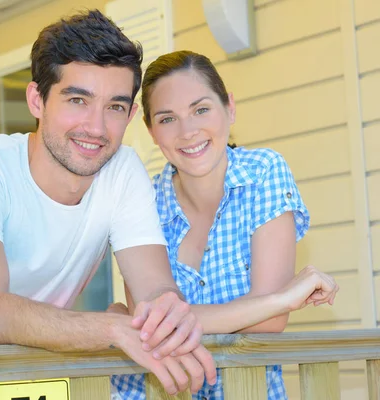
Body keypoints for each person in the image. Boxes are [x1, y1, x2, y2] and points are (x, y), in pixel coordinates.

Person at [0, 13, 218, 400]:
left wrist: (167, 312)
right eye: (77, 100)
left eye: (114, 107)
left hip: (10, 380)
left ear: (131, 115)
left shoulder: (122, 170)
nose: (96, 127)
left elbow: (154, 289)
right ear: (37, 99)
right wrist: (110, 328)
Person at [110, 50, 339, 399]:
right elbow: (151, 326)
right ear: (151, 131)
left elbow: (269, 323)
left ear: (229, 108)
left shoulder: (263, 173)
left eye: (201, 109)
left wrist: (176, 322)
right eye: (167, 118)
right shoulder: (143, 200)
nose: (188, 131)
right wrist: (280, 299)